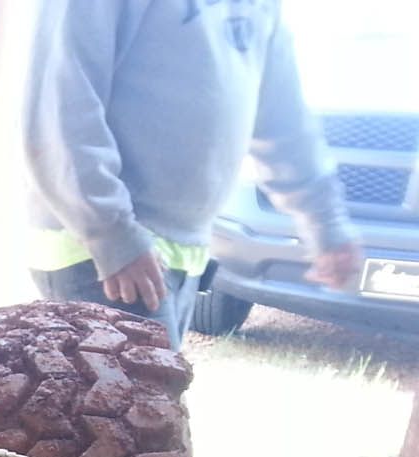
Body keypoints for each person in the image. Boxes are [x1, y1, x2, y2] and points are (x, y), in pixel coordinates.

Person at [24, 0, 363, 347]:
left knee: (156, 396)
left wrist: (326, 223)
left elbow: (283, 120)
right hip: (97, 249)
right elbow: (59, 106)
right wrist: (112, 233)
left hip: (180, 252)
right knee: (126, 399)